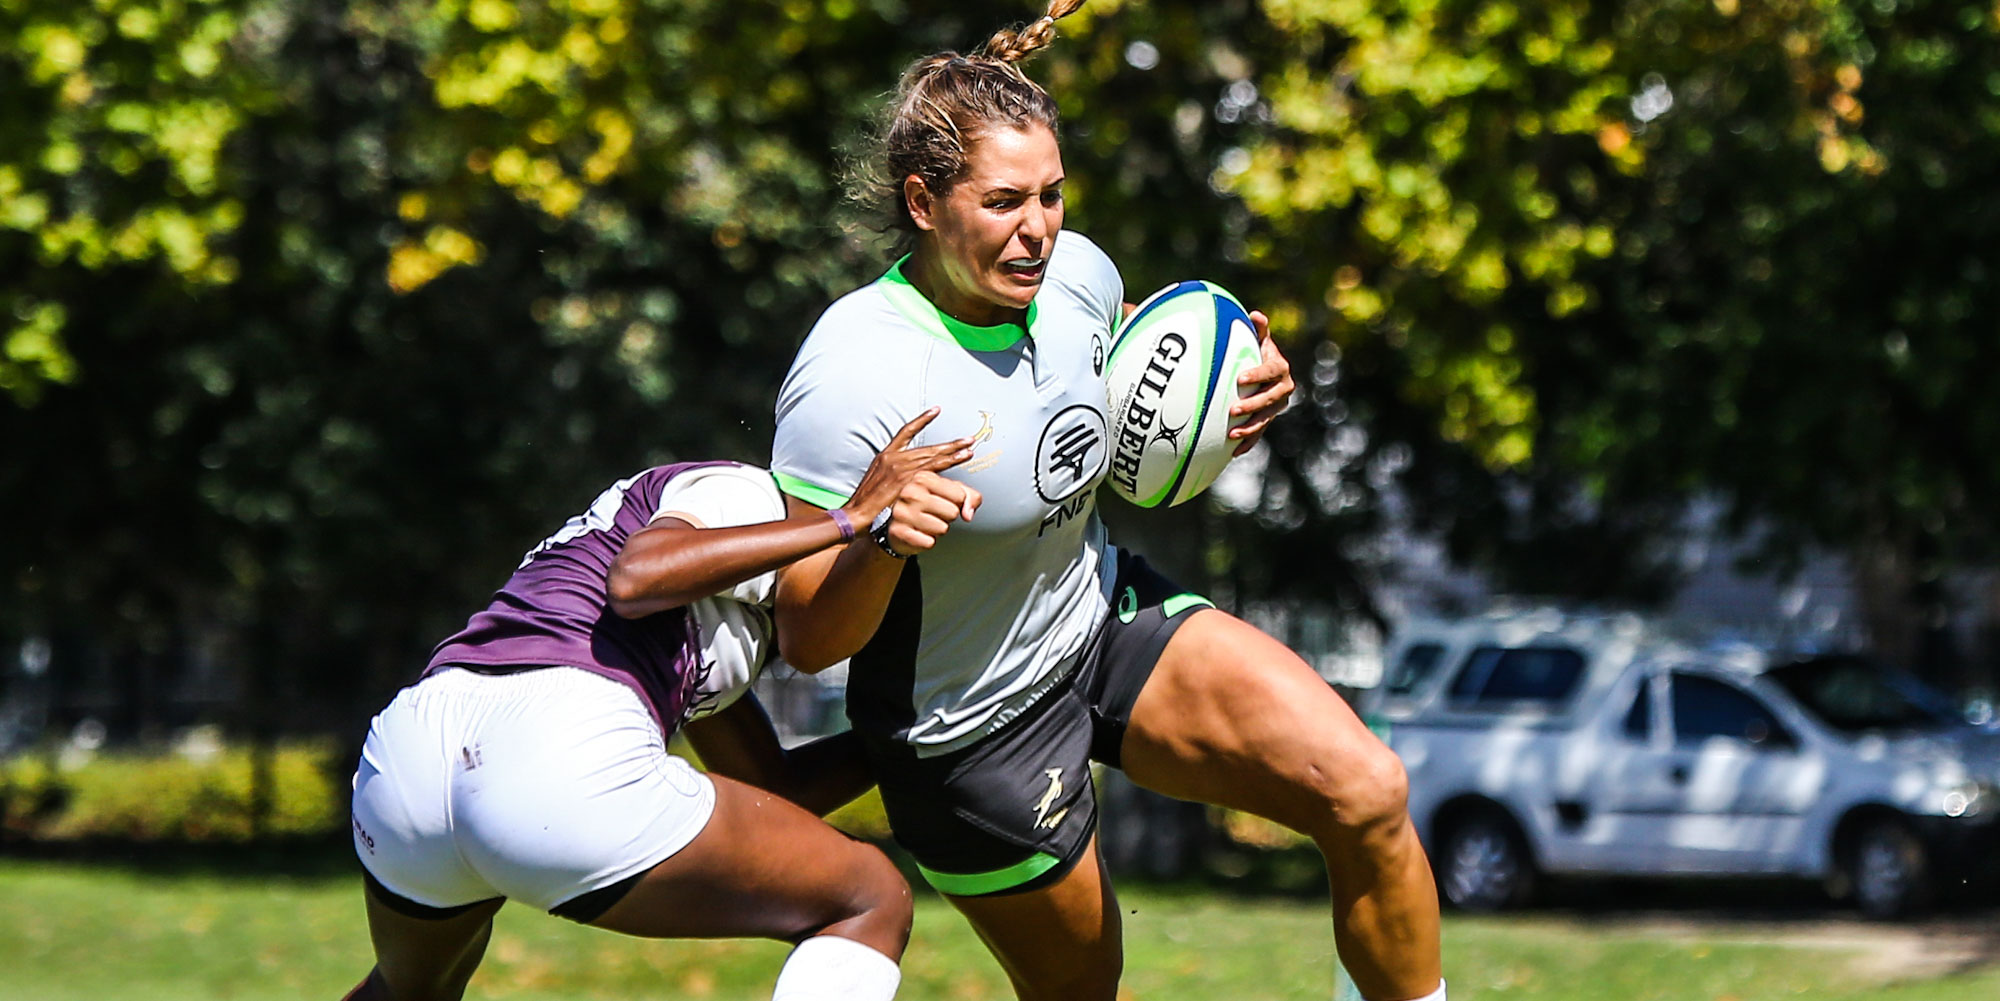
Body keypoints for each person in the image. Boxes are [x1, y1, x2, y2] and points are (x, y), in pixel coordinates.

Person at [767, 4, 1446, 1001]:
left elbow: (1133, 363)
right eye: (1003, 201)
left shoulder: (1076, 275)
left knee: (1366, 790)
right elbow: (805, 637)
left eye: (1051, 195)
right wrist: (880, 543)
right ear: (922, 201)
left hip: (1100, 619)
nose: (1037, 228)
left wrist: (1237, 385)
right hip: (968, 732)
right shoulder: (852, 373)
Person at [340, 412, 978, 1001]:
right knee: (870, 898)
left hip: (410, 760)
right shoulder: (747, 494)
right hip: (556, 739)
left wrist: (942, 727)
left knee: (402, 994)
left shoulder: (699, 616)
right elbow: (638, 577)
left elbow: (774, 788)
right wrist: (851, 519)